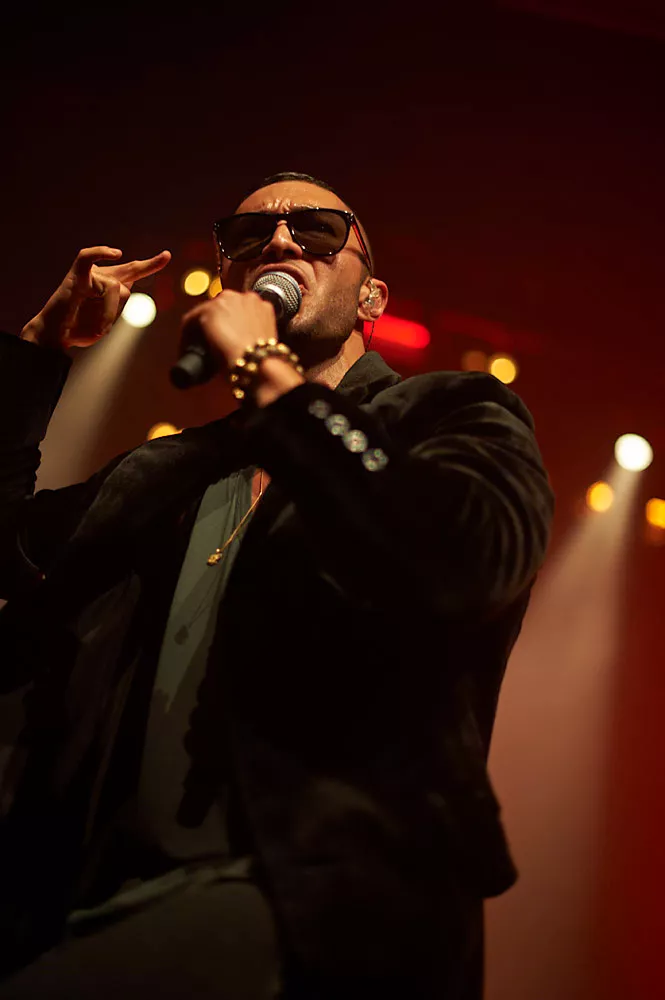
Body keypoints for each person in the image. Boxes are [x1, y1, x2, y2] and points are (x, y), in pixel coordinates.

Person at [0, 171, 554, 999]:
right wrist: (37, 354)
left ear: (371, 298)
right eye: (248, 235)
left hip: (321, 913)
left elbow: (458, 562)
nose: (281, 242)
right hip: (111, 895)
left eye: (318, 230)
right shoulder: (166, 473)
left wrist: (268, 376)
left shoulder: (451, 413)